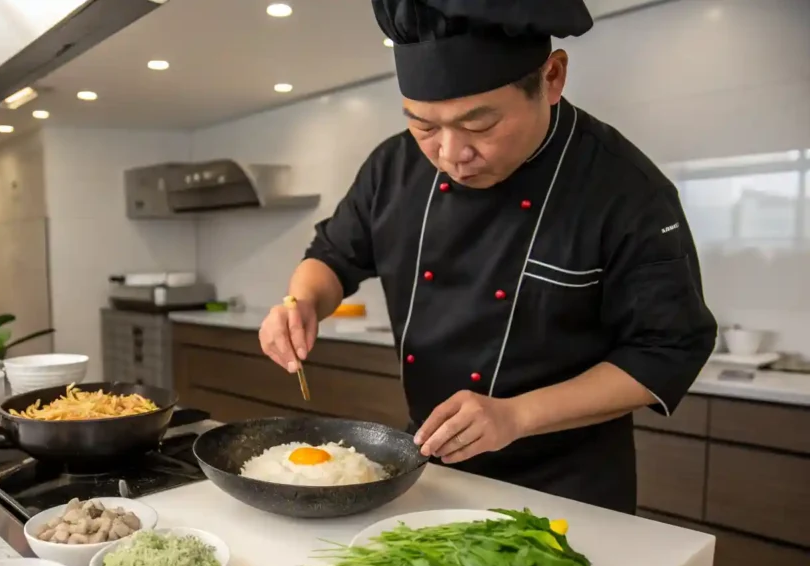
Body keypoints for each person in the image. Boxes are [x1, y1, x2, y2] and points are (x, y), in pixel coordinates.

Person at [258, 0, 718, 514]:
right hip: (432, 466)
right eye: (425, 126)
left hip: (569, 486)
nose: (451, 154)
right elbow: (332, 255)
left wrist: (517, 415)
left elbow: (667, 349)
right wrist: (301, 301)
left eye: (479, 126)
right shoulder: (393, 166)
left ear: (552, 77)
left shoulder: (626, 190)